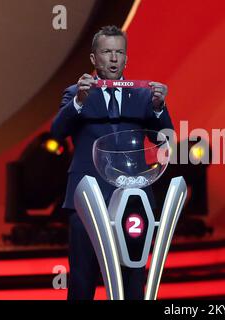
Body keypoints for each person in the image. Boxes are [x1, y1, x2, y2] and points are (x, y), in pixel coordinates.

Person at [51, 25, 174, 300]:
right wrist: (79, 103)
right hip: (87, 198)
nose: (114, 58)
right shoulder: (76, 93)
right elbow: (57, 132)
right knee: (83, 278)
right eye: (107, 52)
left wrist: (159, 108)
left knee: (132, 275)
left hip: (134, 197)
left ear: (127, 58)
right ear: (94, 59)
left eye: (119, 52)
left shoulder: (144, 96)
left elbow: (166, 139)